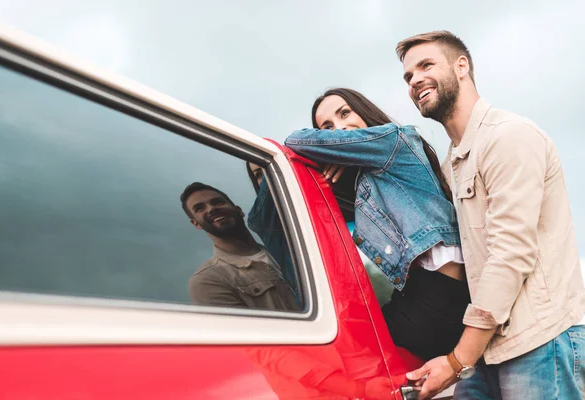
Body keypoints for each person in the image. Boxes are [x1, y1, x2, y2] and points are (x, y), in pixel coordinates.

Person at [397, 30, 585, 399]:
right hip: (485, 347)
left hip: (539, 340)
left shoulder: (508, 136)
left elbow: (510, 254)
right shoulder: (453, 161)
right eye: (407, 76)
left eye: (425, 65)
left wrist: (456, 362)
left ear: (461, 66)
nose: (415, 79)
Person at [284, 88, 470, 361]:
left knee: (326, 357)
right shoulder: (368, 181)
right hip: (420, 297)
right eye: (327, 127)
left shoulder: (395, 139)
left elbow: (295, 140)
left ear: (363, 110)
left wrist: (336, 151)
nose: (338, 128)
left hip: (437, 300)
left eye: (344, 113)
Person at [180, 181, 299, 311]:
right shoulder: (208, 279)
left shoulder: (288, 249)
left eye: (217, 202)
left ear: (239, 210)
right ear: (196, 224)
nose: (211, 209)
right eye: (200, 208)